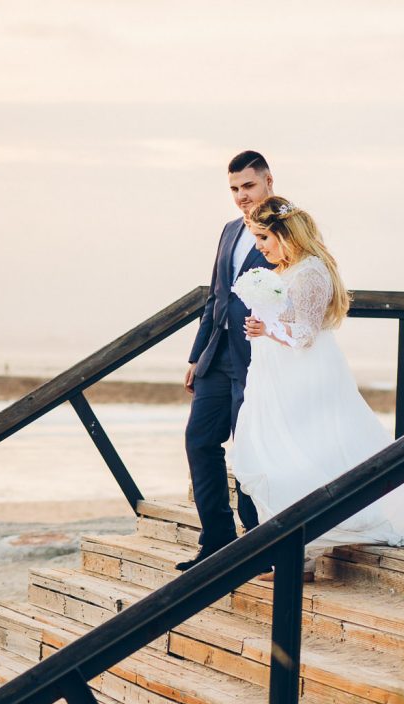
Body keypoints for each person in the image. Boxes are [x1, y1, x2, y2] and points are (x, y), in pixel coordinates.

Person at [232, 195, 404, 573]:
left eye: (263, 239)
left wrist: (267, 328)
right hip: (276, 374)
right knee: (276, 451)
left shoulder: (311, 272)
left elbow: (304, 334)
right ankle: (294, 546)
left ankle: (303, 544)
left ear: (285, 234)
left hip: (306, 373)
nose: (260, 248)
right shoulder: (285, 270)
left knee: (304, 452)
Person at [177, 150, 275, 572]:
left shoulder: (290, 225)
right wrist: (197, 356)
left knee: (251, 450)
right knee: (200, 442)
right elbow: (216, 298)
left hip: (259, 358)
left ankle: (255, 544)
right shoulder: (229, 230)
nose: (241, 196)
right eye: (234, 189)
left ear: (268, 180)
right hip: (217, 359)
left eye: (248, 186)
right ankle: (217, 538)